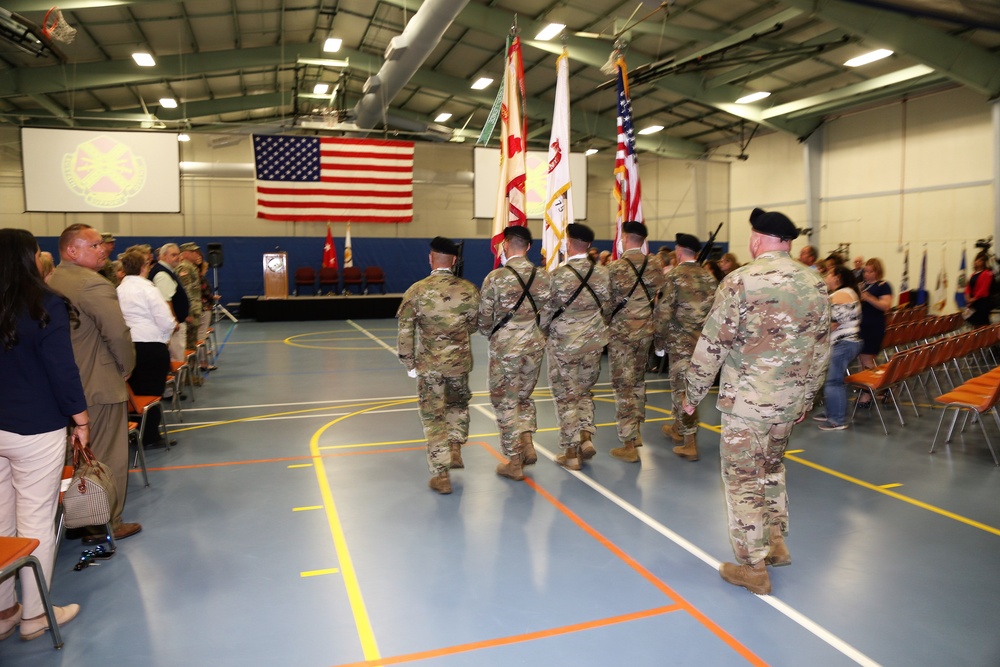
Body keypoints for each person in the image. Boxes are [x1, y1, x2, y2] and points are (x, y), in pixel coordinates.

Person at [683, 210, 830, 595]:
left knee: (743, 480)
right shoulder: (814, 283)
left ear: (757, 239)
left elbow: (713, 345)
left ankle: (753, 567)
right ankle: (776, 542)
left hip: (747, 405)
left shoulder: (740, 281)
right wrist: (805, 399)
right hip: (788, 402)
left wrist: (691, 394)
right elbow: (821, 350)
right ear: (788, 242)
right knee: (771, 469)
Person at [0, 228, 85, 641]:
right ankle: (34, 614)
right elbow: (62, 371)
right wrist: (81, 420)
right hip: (35, 427)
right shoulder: (43, 304)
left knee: (0, 522)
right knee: (34, 517)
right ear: (28, 259)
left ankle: (4, 611)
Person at [48, 223, 141, 542]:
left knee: (75, 457)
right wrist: (127, 367)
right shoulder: (93, 284)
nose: (103, 249)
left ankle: (78, 517)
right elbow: (117, 332)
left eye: (102, 244)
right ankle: (106, 522)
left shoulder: (54, 279)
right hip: (99, 384)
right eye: (95, 245)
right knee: (107, 456)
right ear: (72, 250)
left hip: (66, 385)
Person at [397, 237, 480, 494]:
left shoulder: (416, 291)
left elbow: (405, 330)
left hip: (430, 366)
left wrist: (409, 362)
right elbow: (475, 324)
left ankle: (442, 475)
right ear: (454, 261)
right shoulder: (468, 289)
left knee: (434, 417)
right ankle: (455, 447)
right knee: (457, 405)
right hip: (459, 364)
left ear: (431, 259)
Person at [478, 226, 552, 481]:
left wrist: (492, 333)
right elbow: (548, 313)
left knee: (505, 401)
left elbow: (485, 318)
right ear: (529, 247)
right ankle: (526, 440)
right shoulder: (543, 277)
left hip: (506, 348)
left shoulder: (495, 278)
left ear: (506, 245)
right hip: (533, 344)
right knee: (523, 396)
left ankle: (515, 460)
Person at [540, 223, 610, 470]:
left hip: (565, 345)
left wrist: (544, 331)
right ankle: (586, 437)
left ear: (568, 243)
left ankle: (570, 453)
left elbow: (546, 312)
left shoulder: (557, 275)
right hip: (593, 343)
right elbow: (607, 306)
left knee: (566, 397)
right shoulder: (603, 273)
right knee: (584, 392)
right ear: (589, 245)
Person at [654, 233, 718, 461]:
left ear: (679, 252)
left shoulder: (675, 277)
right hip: (703, 345)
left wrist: (659, 341)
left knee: (682, 390)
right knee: (691, 387)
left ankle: (689, 442)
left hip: (680, 343)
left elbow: (663, 311)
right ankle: (677, 428)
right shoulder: (709, 278)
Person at [606, 221, 665, 463]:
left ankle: (629, 442)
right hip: (646, 332)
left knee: (623, 386)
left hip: (622, 334)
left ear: (626, 239)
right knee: (638, 381)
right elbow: (660, 295)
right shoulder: (655, 265)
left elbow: (608, 302)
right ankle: (637, 429)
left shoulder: (616, 267)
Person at [117, 250, 176, 447]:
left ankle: (134, 432)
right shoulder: (148, 289)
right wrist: (166, 337)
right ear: (144, 267)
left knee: (133, 391)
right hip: (150, 344)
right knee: (152, 391)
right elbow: (165, 319)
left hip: (126, 345)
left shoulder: (118, 289)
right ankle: (150, 436)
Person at [814, 265, 863, 430]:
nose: (825, 276)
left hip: (843, 343)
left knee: (834, 382)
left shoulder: (841, 294)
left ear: (837, 277)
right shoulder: (848, 292)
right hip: (846, 342)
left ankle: (837, 420)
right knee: (832, 380)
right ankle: (831, 412)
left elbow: (829, 320)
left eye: (828, 273)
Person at [857, 257, 893, 406]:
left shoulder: (883, 286)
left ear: (877, 272)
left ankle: (868, 394)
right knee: (863, 360)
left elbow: (885, 306)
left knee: (867, 359)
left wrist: (868, 297)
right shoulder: (861, 285)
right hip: (861, 325)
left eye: (870, 271)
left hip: (874, 326)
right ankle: (879, 387)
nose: (866, 274)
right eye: (865, 271)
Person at [149, 243, 191, 363]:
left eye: (178, 254)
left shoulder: (167, 271)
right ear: (162, 256)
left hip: (173, 323)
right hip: (173, 326)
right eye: (173, 255)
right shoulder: (162, 274)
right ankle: (177, 381)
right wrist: (174, 321)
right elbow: (165, 301)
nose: (177, 257)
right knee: (177, 359)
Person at [177, 243, 204, 361]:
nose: (196, 254)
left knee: (192, 344)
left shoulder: (191, 267)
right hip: (190, 312)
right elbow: (185, 290)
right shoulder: (184, 268)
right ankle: (187, 376)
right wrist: (187, 312)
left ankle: (191, 374)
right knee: (188, 345)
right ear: (185, 254)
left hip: (194, 310)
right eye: (193, 252)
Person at [964, 252, 994, 328]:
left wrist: (973, 299)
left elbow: (983, 289)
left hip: (981, 303)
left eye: (980, 260)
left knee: (981, 325)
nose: (977, 262)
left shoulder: (986, 273)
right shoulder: (973, 274)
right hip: (973, 303)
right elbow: (968, 287)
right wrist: (968, 297)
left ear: (983, 263)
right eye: (976, 260)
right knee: (974, 324)